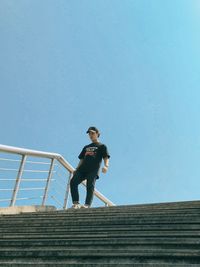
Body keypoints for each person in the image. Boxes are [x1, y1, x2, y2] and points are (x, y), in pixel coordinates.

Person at [70, 126, 110, 209]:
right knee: (73, 182)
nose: (91, 135)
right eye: (89, 134)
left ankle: (87, 205)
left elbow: (106, 157)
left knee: (90, 185)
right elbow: (81, 159)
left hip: (93, 170)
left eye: (92, 133)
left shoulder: (102, 146)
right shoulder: (86, 147)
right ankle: (75, 203)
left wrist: (106, 166)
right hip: (82, 169)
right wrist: (77, 169)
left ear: (97, 134)